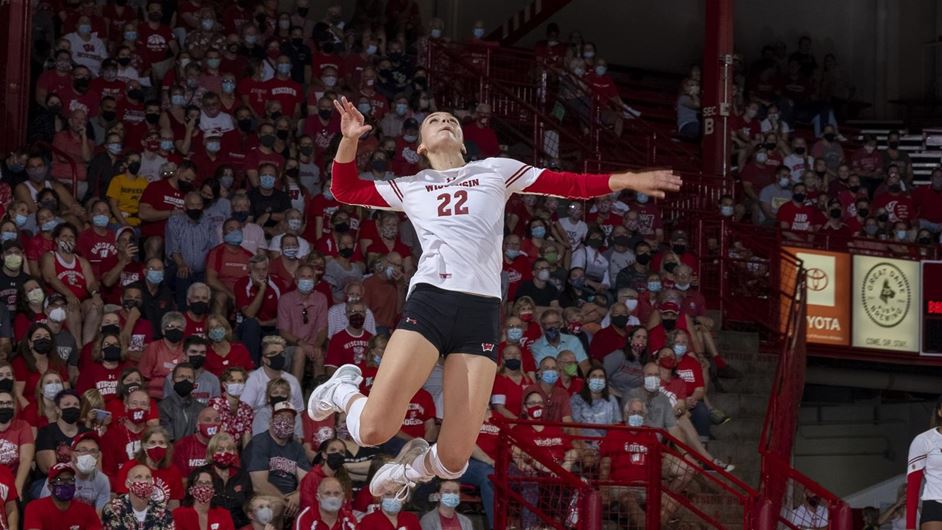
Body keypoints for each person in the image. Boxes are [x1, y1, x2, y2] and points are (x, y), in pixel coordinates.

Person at [305, 99, 679, 500]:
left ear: (463, 141)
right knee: (374, 430)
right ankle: (341, 389)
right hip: (432, 302)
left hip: (481, 313)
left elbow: (567, 183)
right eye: (434, 120)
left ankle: (411, 469)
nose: (445, 121)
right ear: (422, 148)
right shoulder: (409, 187)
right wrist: (347, 141)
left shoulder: (496, 170)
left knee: (454, 460)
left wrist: (625, 180)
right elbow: (343, 189)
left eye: (451, 119)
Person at [243, 401, 309, 519]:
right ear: (271, 420)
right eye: (280, 417)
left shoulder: (297, 447)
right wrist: (285, 501)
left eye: (289, 418)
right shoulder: (259, 442)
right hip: (262, 497)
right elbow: (259, 485)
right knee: (275, 507)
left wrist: (298, 496)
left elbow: (306, 481)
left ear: (294, 424)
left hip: (292, 498)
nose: (285, 421)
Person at [39, 431, 110, 513]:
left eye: (93, 451)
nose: (88, 455)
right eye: (83, 450)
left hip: (87, 522)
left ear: (98, 456)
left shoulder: (102, 480)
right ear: (72, 455)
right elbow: (46, 510)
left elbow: (99, 515)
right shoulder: (58, 475)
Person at [23, 463, 102, 530]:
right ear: (50, 487)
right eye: (59, 480)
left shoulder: (86, 510)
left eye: (70, 479)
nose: (66, 484)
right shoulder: (35, 508)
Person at [101, 463, 175, 529]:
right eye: (138, 477)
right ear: (127, 483)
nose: (144, 481)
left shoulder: (162, 512)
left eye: (148, 477)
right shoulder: (113, 509)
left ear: (152, 483)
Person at [172, 468, 236, 530]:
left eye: (208, 483)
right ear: (191, 489)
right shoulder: (178, 515)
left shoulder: (224, 515)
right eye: (199, 483)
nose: (204, 486)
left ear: (214, 489)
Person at [293, 476, 358, 530]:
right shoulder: (305, 518)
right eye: (327, 493)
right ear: (317, 497)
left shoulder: (350, 520)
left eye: (336, 493)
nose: (332, 498)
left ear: (343, 497)